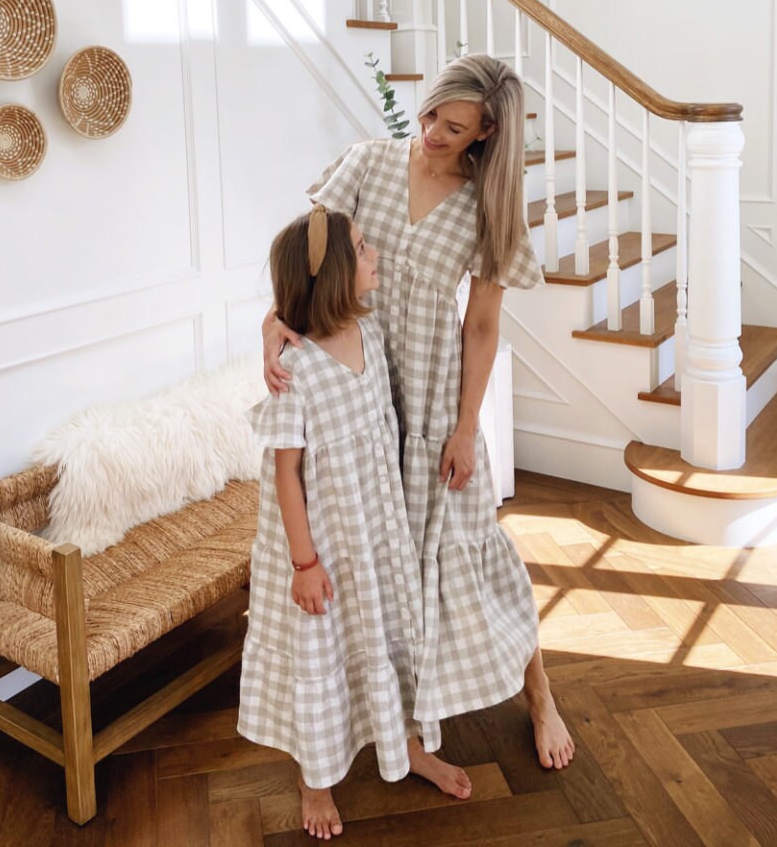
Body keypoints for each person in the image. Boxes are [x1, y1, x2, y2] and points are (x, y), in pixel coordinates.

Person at [263, 54, 575, 778]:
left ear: (485, 131)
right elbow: (307, 261)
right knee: (381, 560)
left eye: (454, 125)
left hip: (432, 393)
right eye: (431, 113)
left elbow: (482, 326)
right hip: (357, 382)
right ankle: (398, 716)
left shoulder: (487, 206)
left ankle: (538, 693)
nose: (432, 132)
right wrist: (272, 326)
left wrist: (467, 427)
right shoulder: (366, 164)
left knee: (473, 549)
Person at [239, 206, 470, 842]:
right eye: (365, 250)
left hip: (376, 532)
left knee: (393, 635)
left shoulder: (370, 332)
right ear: (340, 274)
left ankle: (407, 744)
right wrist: (305, 564)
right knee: (324, 653)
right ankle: (315, 780)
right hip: (325, 547)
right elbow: (287, 477)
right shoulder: (299, 370)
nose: (376, 257)